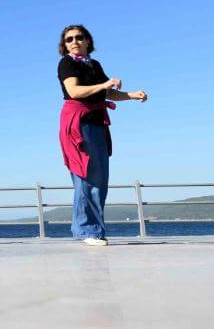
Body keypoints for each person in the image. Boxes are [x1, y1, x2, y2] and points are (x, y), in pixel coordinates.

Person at [57, 24, 147, 247]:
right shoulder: (67, 63)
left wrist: (132, 95)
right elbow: (74, 91)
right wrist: (105, 84)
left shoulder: (93, 64)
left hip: (97, 123)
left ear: (88, 41)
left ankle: (96, 230)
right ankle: (86, 230)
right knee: (85, 177)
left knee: (100, 180)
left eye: (79, 37)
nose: (74, 42)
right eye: (69, 39)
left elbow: (109, 93)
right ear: (65, 45)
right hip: (78, 124)